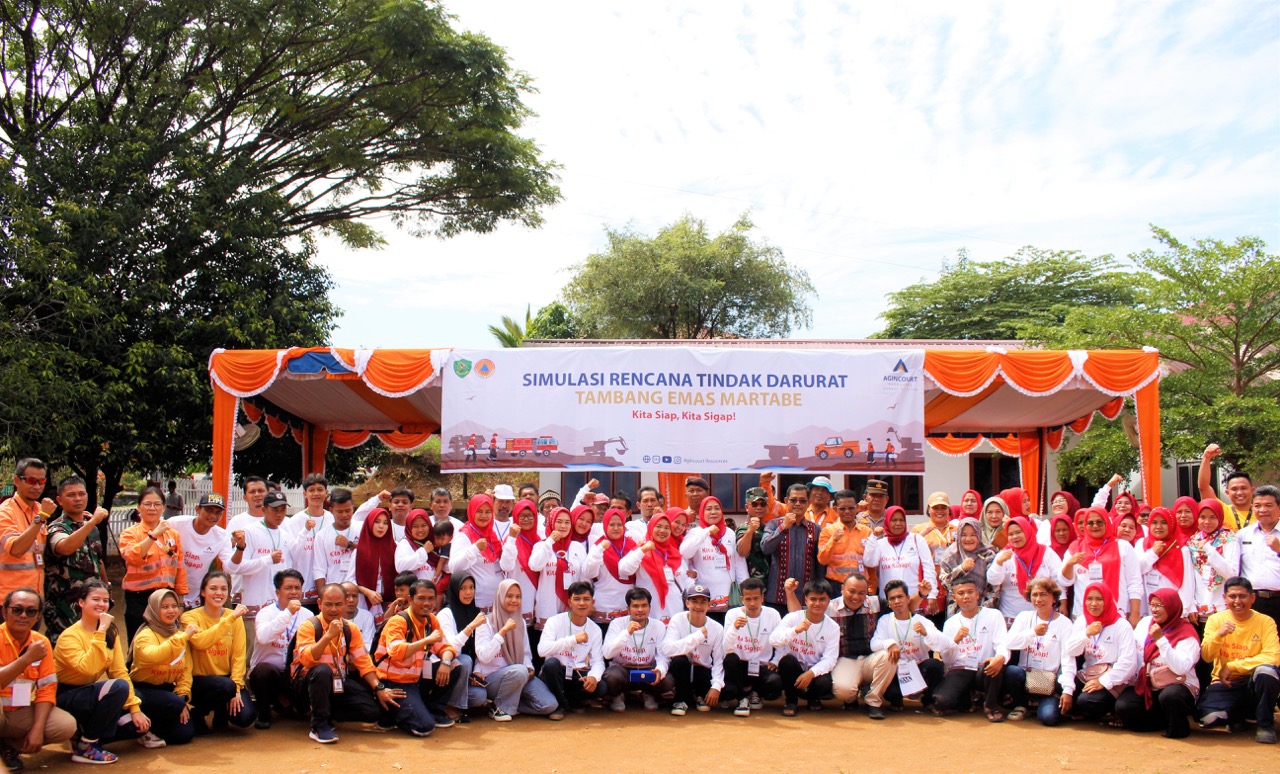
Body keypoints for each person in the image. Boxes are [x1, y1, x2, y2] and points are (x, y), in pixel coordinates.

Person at [53, 580, 159, 762]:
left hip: (90, 694)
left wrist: (134, 709)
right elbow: (88, 669)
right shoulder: (69, 636)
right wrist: (101, 631)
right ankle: (86, 745)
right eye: (96, 599)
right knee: (117, 687)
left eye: (105, 600)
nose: (102, 604)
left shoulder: (110, 632)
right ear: (81, 603)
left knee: (135, 725)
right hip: (66, 695)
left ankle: (84, 734)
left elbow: (119, 671)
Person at [291, 584, 399, 744]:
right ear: (320, 604)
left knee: (373, 712)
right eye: (328, 604)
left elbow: (363, 662)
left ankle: (327, 712)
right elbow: (307, 659)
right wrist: (328, 636)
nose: (333, 609)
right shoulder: (309, 626)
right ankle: (319, 726)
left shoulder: (350, 628)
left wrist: (379, 688)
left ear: (345, 604)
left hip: (337, 682)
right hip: (307, 685)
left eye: (338, 604)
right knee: (322, 670)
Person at [1196, 576, 1280, 743]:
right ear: (1224, 598)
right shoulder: (1215, 620)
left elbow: (1273, 657)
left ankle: (1265, 725)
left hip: (1254, 681)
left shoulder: (1265, 622)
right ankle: (1239, 716)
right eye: (1232, 596)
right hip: (1226, 683)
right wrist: (1219, 635)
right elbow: (1206, 656)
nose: (1237, 601)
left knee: (1267, 672)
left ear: (1252, 598)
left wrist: (1234, 666)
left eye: (1243, 596)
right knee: (1207, 718)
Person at [0, 588, 76, 770]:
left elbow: (47, 689)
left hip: (19, 711)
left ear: (38, 616)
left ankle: (8, 746)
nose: (23, 615)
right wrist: (27, 659)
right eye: (17, 609)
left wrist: (37, 730)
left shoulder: (41, 643)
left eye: (31, 611)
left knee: (65, 725)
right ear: (4, 611)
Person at [372, 579, 457, 736]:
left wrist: (445, 662)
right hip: (394, 682)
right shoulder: (398, 621)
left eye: (431, 598)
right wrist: (426, 641)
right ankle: (394, 714)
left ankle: (432, 711)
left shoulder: (431, 620)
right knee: (424, 727)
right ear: (410, 600)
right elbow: (397, 651)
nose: (427, 603)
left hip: (415, 679)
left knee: (455, 666)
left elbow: (446, 647)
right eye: (421, 598)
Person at [1114, 588, 1200, 738]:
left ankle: (1178, 728)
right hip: (1148, 682)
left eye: (1160, 605)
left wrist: (1161, 640)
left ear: (1172, 606)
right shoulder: (1145, 623)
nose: (1154, 609)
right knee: (1124, 707)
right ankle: (1161, 722)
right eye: (1152, 604)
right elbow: (1133, 652)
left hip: (1178, 684)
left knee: (1171, 696)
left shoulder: (1186, 633)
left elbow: (1181, 668)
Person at [180, 571, 255, 733]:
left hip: (227, 680)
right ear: (202, 592)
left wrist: (236, 688)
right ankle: (198, 712)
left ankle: (222, 711)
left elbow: (239, 655)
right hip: (199, 681)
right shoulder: (189, 617)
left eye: (223, 589)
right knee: (224, 686)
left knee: (246, 717)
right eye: (213, 588)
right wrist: (229, 619)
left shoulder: (234, 617)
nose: (219, 593)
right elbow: (201, 642)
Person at [473, 579, 557, 720]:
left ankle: (510, 704)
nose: (514, 600)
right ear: (500, 597)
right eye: (509, 596)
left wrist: (529, 668)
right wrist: (502, 633)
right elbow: (484, 656)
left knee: (549, 705)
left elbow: (525, 653)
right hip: (493, 679)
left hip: (519, 675)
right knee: (519, 671)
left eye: (518, 597)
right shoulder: (486, 622)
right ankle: (500, 707)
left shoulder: (521, 622)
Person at [43, 476, 110, 643]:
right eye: (71, 495)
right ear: (59, 500)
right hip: (64, 607)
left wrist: (106, 587)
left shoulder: (91, 528)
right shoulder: (56, 527)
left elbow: (98, 559)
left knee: (93, 650)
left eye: (82, 494)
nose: (78, 499)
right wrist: (93, 520)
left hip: (91, 606)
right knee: (65, 653)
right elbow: (65, 547)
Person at [229, 490, 294, 661]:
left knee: (276, 651)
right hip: (254, 604)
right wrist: (267, 560)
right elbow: (238, 568)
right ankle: (244, 686)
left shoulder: (285, 535)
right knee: (250, 651)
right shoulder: (250, 532)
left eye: (282, 510)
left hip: (278, 606)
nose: (279, 514)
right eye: (275, 510)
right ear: (264, 510)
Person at [932, 579, 1009, 721]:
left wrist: (1001, 657)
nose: (966, 596)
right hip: (961, 669)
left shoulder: (993, 615)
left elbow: (1002, 643)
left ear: (978, 595)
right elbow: (947, 660)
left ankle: (990, 706)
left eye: (970, 592)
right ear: (954, 598)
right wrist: (955, 641)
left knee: (993, 664)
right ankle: (967, 697)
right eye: (961, 593)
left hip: (983, 670)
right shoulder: (951, 623)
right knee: (942, 702)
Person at [119, 486, 188, 642]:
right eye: (147, 504)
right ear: (139, 507)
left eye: (157, 504)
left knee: (166, 643)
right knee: (138, 642)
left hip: (166, 596)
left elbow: (180, 568)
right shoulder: (130, 533)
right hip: (138, 598)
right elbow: (132, 557)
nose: (152, 508)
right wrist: (153, 535)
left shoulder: (173, 535)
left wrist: (181, 602)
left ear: (164, 507)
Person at [1003, 577, 1076, 726]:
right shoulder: (1024, 617)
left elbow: (1068, 659)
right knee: (1011, 671)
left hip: (1048, 681)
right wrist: (1032, 633)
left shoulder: (1065, 624)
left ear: (1054, 598)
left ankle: (1042, 703)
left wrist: (1067, 690)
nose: (1038, 599)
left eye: (1043, 594)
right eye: (1034, 595)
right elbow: (1008, 642)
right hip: (1026, 676)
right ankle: (1022, 704)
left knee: (1049, 718)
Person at [128, 589, 196, 745]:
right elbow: (154, 655)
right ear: (154, 609)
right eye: (164, 607)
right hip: (143, 690)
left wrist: (182, 697)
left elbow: (186, 671)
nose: (171, 611)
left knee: (183, 735)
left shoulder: (178, 634)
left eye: (175, 606)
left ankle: (153, 726)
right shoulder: (145, 635)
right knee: (173, 703)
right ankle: (135, 724)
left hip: (167, 690)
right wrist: (183, 637)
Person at [1065, 582, 1138, 724]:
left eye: (1099, 599)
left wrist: (1103, 682)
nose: (1093, 604)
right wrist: (1086, 634)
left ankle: (1110, 710)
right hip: (1088, 674)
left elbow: (1128, 663)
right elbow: (1071, 650)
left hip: (1112, 677)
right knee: (1061, 686)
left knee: (1087, 701)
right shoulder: (1082, 621)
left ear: (1108, 600)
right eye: (1089, 599)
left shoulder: (1121, 625)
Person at [249, 569, 314, 729]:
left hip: (294, 675)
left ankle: (286, 702)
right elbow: (264, 637)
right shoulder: (265, 613)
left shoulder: (308, 615)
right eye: (288, 588)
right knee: (263, 671)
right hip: (269, 676)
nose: (293, 592)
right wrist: (288, 612)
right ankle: (264, 714)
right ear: (278, 591)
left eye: (297, 588)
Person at [536, 580, 607, 720]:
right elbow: (542, 650)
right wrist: (572, 640)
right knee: (551, 664)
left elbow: (598, 661)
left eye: (586, 599)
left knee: (602, 687)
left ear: (592, 602)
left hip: (576, 674)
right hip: (556, 673)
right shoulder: (554, 621)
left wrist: (594, 677)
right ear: (569, 602)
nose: (582, 603)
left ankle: (571, 699)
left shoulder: (595, 629)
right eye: (577, 599)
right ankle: (560, 705)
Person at [827, 573, 893, 719]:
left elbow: (902, 608)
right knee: (843, 691)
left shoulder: (876, 603)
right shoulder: (829, 608)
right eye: (852, 591)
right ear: (842, 589)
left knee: (889, 655)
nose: (856, 597)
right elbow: (801, 614)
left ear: (867, 592)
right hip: (846, 659)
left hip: (871, 658)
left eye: (861, 593)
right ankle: (852, 697)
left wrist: (921, 594)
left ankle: (873, 701)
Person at [1062, 506, 1143, 625]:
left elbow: (1134, 582)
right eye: (1090, 523)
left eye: (1099, 522)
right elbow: (1066, 582)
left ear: (1107, 523)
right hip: (1084, 616)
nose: (1095, 526)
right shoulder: (1075, 548)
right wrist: (1069, 564)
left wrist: (1135, 613)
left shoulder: (1122, 546)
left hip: (1116, 612)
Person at [770, 581, 839, 716]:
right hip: (794, 669)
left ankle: (813, 698)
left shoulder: (833, 627)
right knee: (787, 661)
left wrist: (811, 673)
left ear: (828, 601)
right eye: (813, 599)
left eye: (822, 599)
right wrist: (795, 630)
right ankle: (791, 701)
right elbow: (773, 640)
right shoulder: (793, 618)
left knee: (824, 684)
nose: (817, 603)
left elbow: (830, 659)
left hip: (814, 671)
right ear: (806, 600)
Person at [602, 588, 672, 713]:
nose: (640, 610)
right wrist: (626, 633)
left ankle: (648, 694)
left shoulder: (658, 626)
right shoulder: (617, 624)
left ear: (650, 607)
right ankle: (617, 696)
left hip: (648, 671)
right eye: (635, 606)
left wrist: (660, 670)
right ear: (628, 608)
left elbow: (663, 656)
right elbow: (607, 654)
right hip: (624, 670)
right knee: (611, 676)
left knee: (668, 681)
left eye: (644, 605)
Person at [721, 577, 783, 717]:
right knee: (730, 660)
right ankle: (742, 698)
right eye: (748, 599)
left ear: (762, 597)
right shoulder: (733, 614)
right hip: (740, 666)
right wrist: (734, 628)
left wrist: (776, 660)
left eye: (756, 598)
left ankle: (756, 693)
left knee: (776, 682)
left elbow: (781, 642)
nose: (752, 603)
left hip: (761, 665)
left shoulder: (772, 614)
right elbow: (727, 648)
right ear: (742, 598)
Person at [661, 585, 725, 716]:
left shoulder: (717, 628)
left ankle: (699, 695)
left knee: (728, 691)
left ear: (709, 604)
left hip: (702, 669)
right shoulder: (678, 620)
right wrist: (697, 637)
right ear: (687, 603)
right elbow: (668, 649)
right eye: (694, 601)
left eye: (703, 602)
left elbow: (719, 660)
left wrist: (716, 686)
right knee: (680, 660)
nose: (698, 606)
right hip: (681, 669)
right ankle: (681, 699)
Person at [987, 515, 1064, 624]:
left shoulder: (1046, 553)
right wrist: (999, 563)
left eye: (1018, 532)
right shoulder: (1006, 555)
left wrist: (1062, 602)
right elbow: (993, 581)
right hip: (1011, 618)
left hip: (1042, 618)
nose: (1015, 537)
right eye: (1011, 534)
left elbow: (1058, 580)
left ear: (1027, 531)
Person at [761, 486, 823, 615]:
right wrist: (783, 528)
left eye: (802, 500)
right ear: (786, 501)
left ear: (809, 502)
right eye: (793, 500)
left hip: (806, 598)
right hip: (777, 597)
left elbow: (819, 565)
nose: (798, 504)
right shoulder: (773, 525)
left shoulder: (816, 529)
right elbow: (765, 548)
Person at [0, 460, 53, 609]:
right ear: (16, 480)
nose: (37, 486)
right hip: (8, 601)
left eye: (41, 481)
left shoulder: (39, 509)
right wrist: (41, 517)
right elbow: (16, 550)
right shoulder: (5, 512)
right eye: (31, 481)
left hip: (35, 599)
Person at [680, 497, 744, 618]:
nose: (713, 512)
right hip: (702, 596)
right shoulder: (695, 533)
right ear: (702, 513)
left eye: (717, 508)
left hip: (728, 597)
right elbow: (685, 552)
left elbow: (738, 563)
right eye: (708, 509)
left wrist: (744, 588)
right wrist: (707, 532)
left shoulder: (729, 532)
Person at [168, 493, 233, 611]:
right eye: (209, 510)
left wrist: (240, 548)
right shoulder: (176, 524)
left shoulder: (222, 536)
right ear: (197, 509)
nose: (213, 515)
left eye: (218, 512)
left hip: (195, 597)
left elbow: (230, 567)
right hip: (169, 593)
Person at [620, 511, 687, 624]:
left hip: (675, 611)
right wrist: (643, 550)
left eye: (667, 527)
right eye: (658, 526)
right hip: (650, 613)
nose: (662, 531)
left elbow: (685, 580)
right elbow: (624, 569)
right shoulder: (641, 550)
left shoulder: (675, 553)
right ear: (650, 528)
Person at [434, 574, 483, 723]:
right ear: (455, 590)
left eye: (471, 588)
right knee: (465, 660)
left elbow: (479, 648)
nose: (468, 592)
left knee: (480, 696)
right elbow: (451, 647)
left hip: (465, 672)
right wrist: (471, 627)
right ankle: (450, 706)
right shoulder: (445, 614)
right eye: (463, 588)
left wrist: (477, 671)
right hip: (446, 666)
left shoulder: (475, 612)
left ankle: (456, 702)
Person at [863, 506, 934, 607]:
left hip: (914, 600)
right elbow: (869, 562)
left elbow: (929, 568)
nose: (898, 523)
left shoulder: (916, 540)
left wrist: (932, 595)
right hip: (889, 602)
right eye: (894, 520)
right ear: (887, 521)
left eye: (901, 520)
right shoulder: (880, 543)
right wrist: (873, 537)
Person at [1187, 499, 1240, 624]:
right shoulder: (1193, 541)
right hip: (1199, 607)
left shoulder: (1229, 539)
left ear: (1220, 517)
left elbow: (1232, 574)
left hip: (1222, 606)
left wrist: (1209, 549)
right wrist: (1191, 605)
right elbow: (1190, 576)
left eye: (1212, 517)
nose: (1207, 522)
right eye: (1202, 517)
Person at [448, 494, 505, 610]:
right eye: (479, 511)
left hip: (496, 605)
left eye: (488, 512)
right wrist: (475, 549)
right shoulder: (464, 536)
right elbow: (454, 567)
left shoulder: (492, 536)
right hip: (476, 606)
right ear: (472, 511)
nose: (484, 516)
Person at [284, 482, 334, 610]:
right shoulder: (295, 521)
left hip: (329, 589)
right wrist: (305, 531)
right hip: (304, 589)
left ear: (326, 492)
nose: (316, 494)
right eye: (311, 490)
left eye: (320, 490)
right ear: (305, 494)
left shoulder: (332, 519)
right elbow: (293, 554)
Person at [1235, 485, 1280, 623]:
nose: (1262, 510)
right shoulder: (1243, 534)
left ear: (1279, 507)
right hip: (1253, 601)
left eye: (1268, 505)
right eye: (1257, 505)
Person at [584, 508, 638, 625]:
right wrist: (600, 549)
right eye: (612, 524)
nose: (616, 528)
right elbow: (589, 572)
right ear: (605, 526)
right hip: (603, 605)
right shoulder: (598, 545)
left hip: (628, 604)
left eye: (619, 524)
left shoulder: (632, 545)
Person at [817, 489, 875, 596]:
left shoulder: (867, 532)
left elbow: (872, 565)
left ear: (857, 507)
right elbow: (822, 560)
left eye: (851, 508)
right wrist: (833, 540)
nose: (847, 511)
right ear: (835, 509)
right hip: (836, 587)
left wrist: (872, 588)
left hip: (862, 586)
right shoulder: (827, 531)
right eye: (842, 509)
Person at [1139, 507, 1195, 616]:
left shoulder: (1182, 550)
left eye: (1164, 522)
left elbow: (1187, 584)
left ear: (1171, 524)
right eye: (1154, 522)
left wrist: (1182, 611)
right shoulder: (1142, 544)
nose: (1158, 527)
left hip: (1173, 611)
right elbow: (1138, 570)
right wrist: (1153, 553)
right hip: (1147, 609)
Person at [937, 517, 995, 616]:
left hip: (984, 611)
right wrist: (961, 569)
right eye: (964, 535)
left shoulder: (988, 554)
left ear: (979, 535)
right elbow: (945, 583)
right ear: (958, 536)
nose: (968, 539)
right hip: (956, 612)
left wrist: (981, 611)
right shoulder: (950, 556)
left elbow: (993, 587)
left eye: (973, 534)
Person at [499, 502, 541, 626]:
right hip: (516, 598)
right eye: (522, 516)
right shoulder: (510, 540)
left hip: (538, 599)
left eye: (530, 516)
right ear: (516, 517)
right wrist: (512, 538)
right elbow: (506, 566)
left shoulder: (540, 540)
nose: (526, 519)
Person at [312, 496, 362, 598]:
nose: (344, 515)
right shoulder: (322, 535)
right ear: (331, 510)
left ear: (353, 508)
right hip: (334, 592)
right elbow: (319, 569)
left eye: (348, 510)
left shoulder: (362, 528)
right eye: (339, 511)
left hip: (359, 591)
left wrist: (350, 545)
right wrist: (323, 596)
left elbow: (372, 552)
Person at [1198, 443, 1254, 530]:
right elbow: (1203, 487)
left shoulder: (1263, 513)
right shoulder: (1222, 510)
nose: (1239, 492)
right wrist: (1206, 458)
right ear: (1227, 492)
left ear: (1252, 490)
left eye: (1243, 488)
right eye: (1234, 489)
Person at [353, 509, 398, 616]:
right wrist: (367, 592)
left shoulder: (396, 547)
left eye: (385, 523)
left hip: (390, 604)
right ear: (369, 523)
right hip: (365, 602)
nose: (381, 526)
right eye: (377, 521)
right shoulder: (359, 551)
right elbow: (350, 580)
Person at [396, 508, 444, 584]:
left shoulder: (437, 543)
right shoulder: (406, 544)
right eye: (415, 526)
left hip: (437, 593)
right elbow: (400, 567)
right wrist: (424, 551)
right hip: (415, 593)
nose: (420, 530)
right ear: (409, 527)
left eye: (424, 525)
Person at [736, 487, 772, 582]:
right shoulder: (743, 529)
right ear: (747, 507)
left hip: (769, 582)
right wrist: (750, 531)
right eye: (754, 504)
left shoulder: (769, 528)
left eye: (763, 504)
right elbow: (742, 552)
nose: (759, 507)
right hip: (750, 584)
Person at [340, 582, 378, 652]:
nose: (351, 600)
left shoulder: (366, 616)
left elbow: (369, 644)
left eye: (354, 596)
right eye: (346, 596)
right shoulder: (332, 616)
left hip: (361, 658)